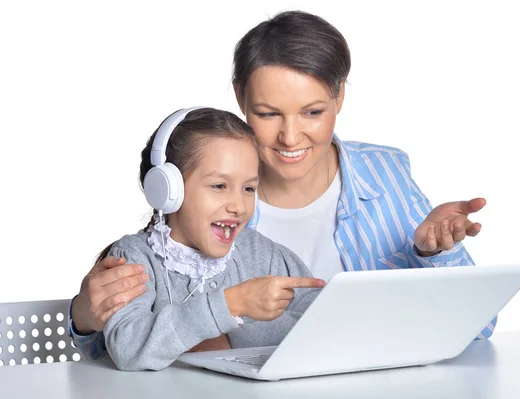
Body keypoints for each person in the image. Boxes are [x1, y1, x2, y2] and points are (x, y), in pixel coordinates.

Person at [69, 10, 496, 360]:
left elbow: (477, 329)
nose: (291, 138)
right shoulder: (205, 175)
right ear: (240, 99)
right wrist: (85, 317)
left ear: (339, 97)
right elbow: (118, 349)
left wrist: (438, 254)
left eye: (312, 112)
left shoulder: (385, 174)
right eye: (269, 114)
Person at [97, 106, 324, 371]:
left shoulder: (262, 253)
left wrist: (230, 338)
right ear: (169, 190)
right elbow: (129, 348)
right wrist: (231, 304)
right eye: (219, 186)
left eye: (248, 188)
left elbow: (326, 324)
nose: (238, 205)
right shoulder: (134, 259)